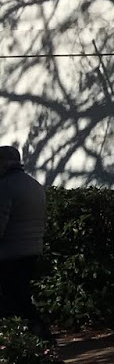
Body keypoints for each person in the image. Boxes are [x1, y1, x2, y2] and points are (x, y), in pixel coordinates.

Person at [0, 145, 53, 340]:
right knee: (19, 297)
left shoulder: (5, 187)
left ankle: (38, 337)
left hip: (9, 253)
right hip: (31, 249)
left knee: (13, 300)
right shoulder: (34, 185)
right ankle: (36, 337)